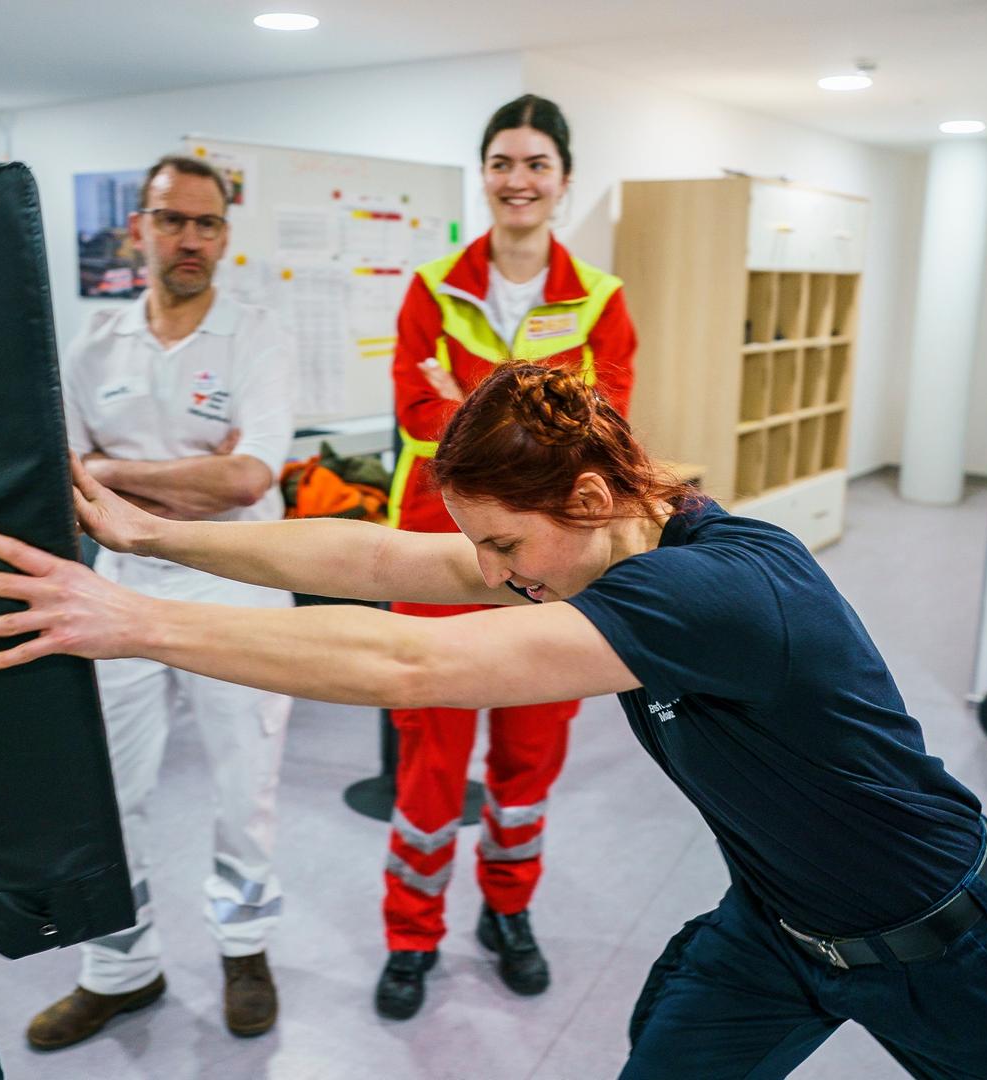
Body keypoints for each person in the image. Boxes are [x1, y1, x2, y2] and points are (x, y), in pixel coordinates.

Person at [0, 364, 987, 1079]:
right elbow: (377, 557)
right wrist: (151, 536)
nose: (499, 571)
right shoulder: (607, 546)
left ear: (586, 496)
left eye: (508, 547)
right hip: (785, 930)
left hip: (963, 942)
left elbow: (408, 660)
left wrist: (132, 619)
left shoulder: (713, 591)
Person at [25, 153, 297, 1050]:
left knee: (242, 787)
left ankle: (244, 946)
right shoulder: (93, 344)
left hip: (240, 589)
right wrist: (173, 477)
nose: (190, 239)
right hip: (122, 590)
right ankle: (119, 966)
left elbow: (247, 476)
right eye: (172, 220)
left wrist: (112, 473)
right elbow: (62, 478)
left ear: (226, 235)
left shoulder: (258, 334)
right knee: (108, 787)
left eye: (208, 223)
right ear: (137, 228)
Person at [378, 92, 639, 1018]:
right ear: (483, 175)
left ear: (564, 180)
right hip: (437, 554)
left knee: (529, 759)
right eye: (502, 162)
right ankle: (411, 934)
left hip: (556, 566)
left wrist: (471, 402)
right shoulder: (431, 287)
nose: (517, 180)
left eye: (535, 164)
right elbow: (415, 414)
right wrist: (535, 416)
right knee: (430, 761)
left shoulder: (600, 302)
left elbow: (602, 435)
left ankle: (507, 912)